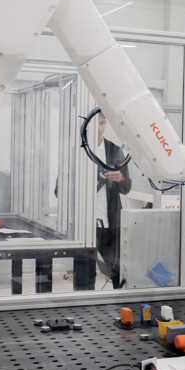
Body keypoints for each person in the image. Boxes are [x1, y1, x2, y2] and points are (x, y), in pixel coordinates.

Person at [77, 112, 131, 290]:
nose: (100, 128)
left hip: (109, 224)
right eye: (96, 123)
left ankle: (119, 303)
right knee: (84, 274)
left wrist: (120, 178)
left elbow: (126, 188)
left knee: (117, 270)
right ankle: (85, 304)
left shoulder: (114, 151)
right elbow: (59, 190)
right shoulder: (77, 151)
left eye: (102, 123)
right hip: (84, 226)